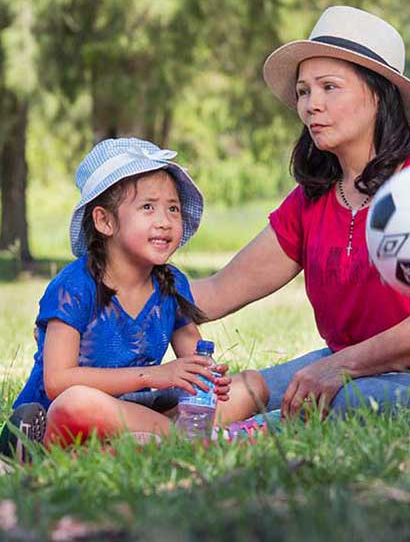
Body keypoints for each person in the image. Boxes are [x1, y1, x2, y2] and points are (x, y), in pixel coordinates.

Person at [191, 5, 410, 419]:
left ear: (379, 94)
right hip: (343, 363)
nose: (311, 105)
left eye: (329, 87)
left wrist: (337, 367)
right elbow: (219, 292)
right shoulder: (312, 199)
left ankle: (244, 438)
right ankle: (142, 432)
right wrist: (121, 289)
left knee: (335, 404)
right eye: (303, 91)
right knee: (234, 394)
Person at [1, 138, 267, 458]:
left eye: (173, 208)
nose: (165, 220)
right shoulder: (74, 286)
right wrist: (155, 375)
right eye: (147, 207)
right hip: (65, 413)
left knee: (251, 386)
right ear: (105, 221)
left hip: (135, 408)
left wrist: (208, 381)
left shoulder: (170, 284)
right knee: (77, 402)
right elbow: (58, 381)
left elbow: (196, 358)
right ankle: (190, 442)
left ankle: (134, 445)